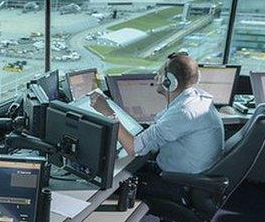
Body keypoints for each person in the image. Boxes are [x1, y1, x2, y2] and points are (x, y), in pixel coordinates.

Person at [90, 52, 224, 202]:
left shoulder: (183, 113)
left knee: (111, 183)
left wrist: (107, 111)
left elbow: (134, 148)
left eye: (159, 74)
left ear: (169, 82)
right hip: (192, 176)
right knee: (126, 169)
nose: (156, 78)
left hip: (179, 184)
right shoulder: (196, 99)